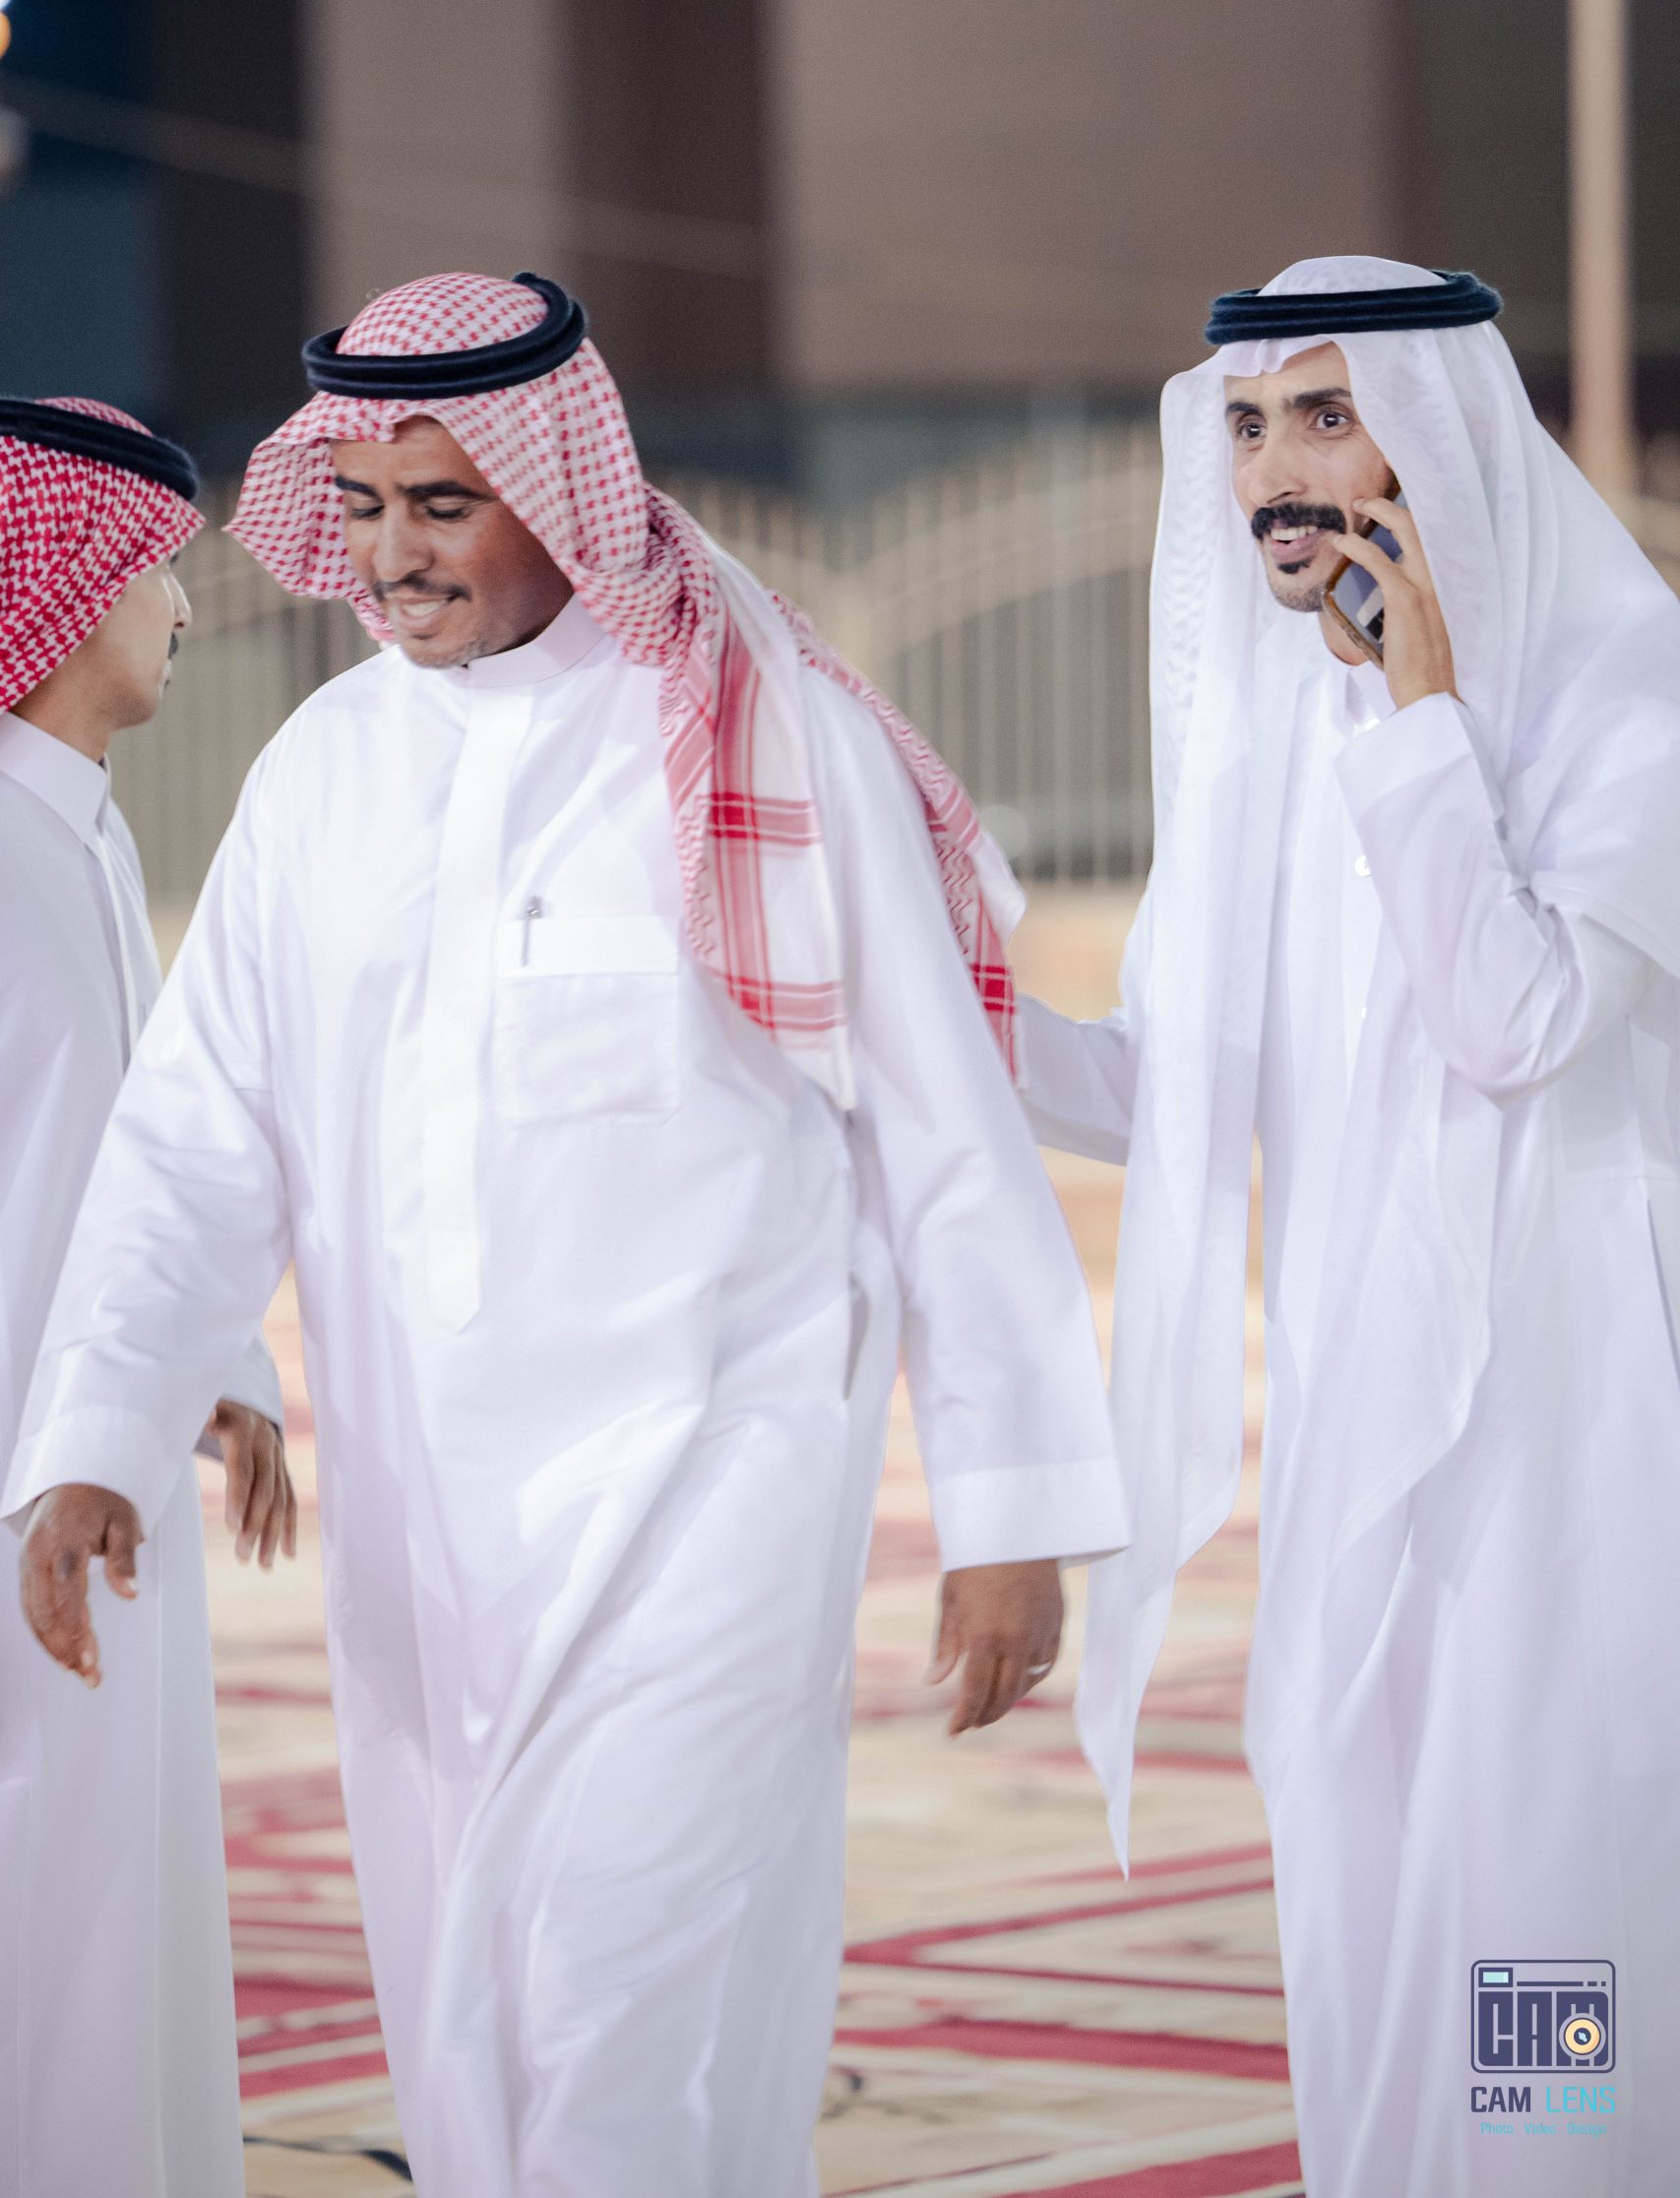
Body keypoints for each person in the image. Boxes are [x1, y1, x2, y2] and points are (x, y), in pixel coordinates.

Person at [8, 277, 1127, 2198]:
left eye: (444, 503)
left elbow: (946, 1135)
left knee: (632, 2018)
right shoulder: (323, 776)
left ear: (563, 492)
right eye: (363, 507)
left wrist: (1011, 1503)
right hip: (427, 1537)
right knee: (474, 2034)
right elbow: (196, 1135)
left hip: (711, 1497)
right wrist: (101, 1431)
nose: (393, 555)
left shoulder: (755, 744)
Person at [1020, 258, 1680, 2197]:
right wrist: (942, 1012)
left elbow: (1516, 1022)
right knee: (1361, 1893)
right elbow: (1173, 1089)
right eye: (1245, 428)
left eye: (1327, 416)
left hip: (1566, 1449)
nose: (1276, 473)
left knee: (1539, 1921)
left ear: (1440, 435)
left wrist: (1419, 722)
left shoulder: (1621, 696)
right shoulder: (1271, 740)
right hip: (1350, 1443)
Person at [0, 395, 292, 2197]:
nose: (179, 609)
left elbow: (134, 1148)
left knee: (112, 1885)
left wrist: (211, 1365)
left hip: (86, 1454)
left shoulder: (78, 836)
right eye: (154, 571)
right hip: (27, 1477)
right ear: (59, 580)